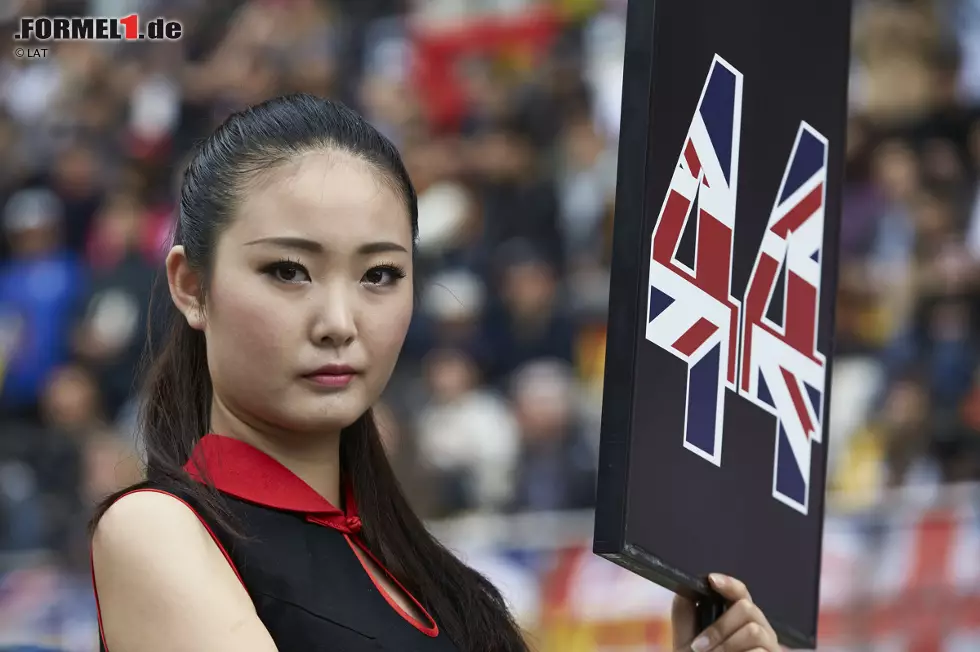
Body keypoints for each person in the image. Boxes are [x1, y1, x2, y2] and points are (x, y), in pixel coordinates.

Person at [88, 94, 782, 652]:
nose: (339, 321)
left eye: (380, 275)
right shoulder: (158, 532)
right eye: (288, 271)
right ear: (191, 286)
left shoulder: (432, 577)